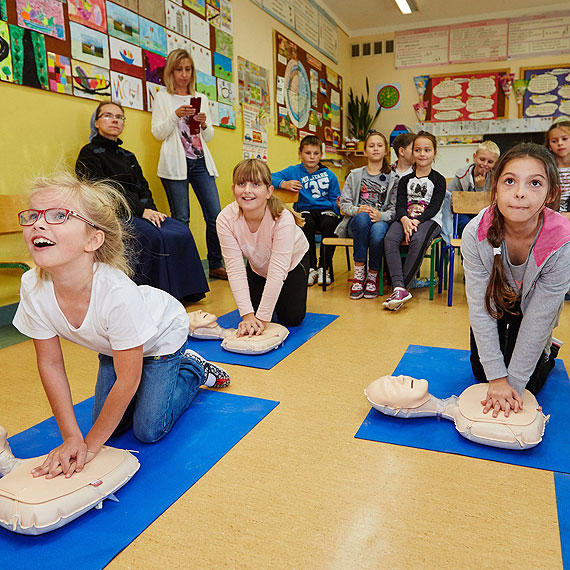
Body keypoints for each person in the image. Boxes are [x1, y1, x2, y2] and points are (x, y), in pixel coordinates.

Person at [12, 174, 230, 479]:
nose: (38, 224)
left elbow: (127, 380)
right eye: (33, 215)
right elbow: (50, 363)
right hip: (113, 346)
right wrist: (72, 437)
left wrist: (89, 446)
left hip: (161, 338)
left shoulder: (116, 293)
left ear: (93, 239)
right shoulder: (32, 285)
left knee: (148, 429)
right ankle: (158, 385)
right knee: (112, 427)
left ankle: (192, 369)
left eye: (59, 215)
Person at [462, 143, 570, 418]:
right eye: (510, 181)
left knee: (528, 382)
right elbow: (478, 307)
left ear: (551, 193)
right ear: (495, 187)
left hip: (534, 308)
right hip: (495, 303)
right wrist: (497, 378)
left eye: (535, 183)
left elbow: (539, 317)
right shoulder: (476, 233)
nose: (520, 192)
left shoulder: (562, 241)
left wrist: (515, 383)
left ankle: (549, 348)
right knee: (482, 372)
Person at [76, 100, 209, 302]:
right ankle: (156, 296)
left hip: (140, 211)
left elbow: (142, 187)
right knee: (152, 236)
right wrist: (141, 211)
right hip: (114, 215)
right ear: (96, 122)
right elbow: (101, 193)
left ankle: (187, 293)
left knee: (180, 230)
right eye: (108, 116)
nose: (115, 120)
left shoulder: (128, 155)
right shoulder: (89, 153)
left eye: (119, 117)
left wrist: (152, 211)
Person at [151, 49, 227, 281]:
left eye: (188, 69)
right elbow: (157, 133)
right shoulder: (163, 97)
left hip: (201, 162)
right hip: (176, 165)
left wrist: (203, 124)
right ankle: (183, 269)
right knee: (181, 219)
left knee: (215, 215)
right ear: (170, 71)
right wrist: (175, 115)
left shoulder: (201, 98)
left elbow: (209, 136)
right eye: (178, 69)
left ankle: (215, 263)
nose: (184, 74)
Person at [217, 159, 309, 337]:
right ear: (233, 189)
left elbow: (277, 271)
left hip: (292, 264)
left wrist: (262, 319)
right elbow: (235, 270)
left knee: (291, 317)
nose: (247, 191)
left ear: (269, 191)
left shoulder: (283, 219)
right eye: (241, 184)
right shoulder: (225, 219)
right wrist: (248, 316)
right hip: (258, 266)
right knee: (251, 311)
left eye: (256, 184)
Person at [382, 131, 446, 310]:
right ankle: (398, 287)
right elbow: (400, 205)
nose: (422, 154)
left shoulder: (439, 180)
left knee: (418, 239)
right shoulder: (404, 180)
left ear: (434, 152)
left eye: (427, 150)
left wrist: (416, 221)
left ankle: (401, 288)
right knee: (390, 238)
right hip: (405, 219)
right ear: (412, 153)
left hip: (429, 221)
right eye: (418, 150)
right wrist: (404, 219)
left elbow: (434, 206)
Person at [271, 135, 340, 287]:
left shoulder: (330, 175)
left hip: (326, 210)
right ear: (300, 153)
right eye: (308, 153)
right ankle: (311, 268)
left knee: (330, 224)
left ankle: (324, 268)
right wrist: (284, 183)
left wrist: (338, 209)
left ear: (321, 155)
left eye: (316, 153)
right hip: (305, 210)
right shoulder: (293, 171)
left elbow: (335, 199)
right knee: (305, 224)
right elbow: (268, 177)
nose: (312, 157)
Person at [335, 131, 397, 300]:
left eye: (379, 146)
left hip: (380, 222)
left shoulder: (393, 178)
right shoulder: (355, 175)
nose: (375, 149)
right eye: (371, 146)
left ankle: (372, 276)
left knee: (377, 231)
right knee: (362, 219)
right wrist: (358, 210)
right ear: (365, 152)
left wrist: (381, 216)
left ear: (386, 151)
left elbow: (394, 209)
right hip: (357, 224)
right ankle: (359, 273)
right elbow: (344, 204)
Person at [448, 140, 500, 237]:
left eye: (490, 162)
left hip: (485, 214)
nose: (485, 164)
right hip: (463, 214)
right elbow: (449, 196)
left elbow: (489, 204)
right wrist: (463, 203)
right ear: (475, 157)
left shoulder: (495, 179)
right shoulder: (461, 175)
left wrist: (480, 187)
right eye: (482, 159)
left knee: (490, 226)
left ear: (495, 163)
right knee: (466, 224)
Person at [545, 120, 570, 219]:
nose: (560, 143)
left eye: (564, 139)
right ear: (549, 146)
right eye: (554, 141)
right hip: (552, 218)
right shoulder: (546, 169)